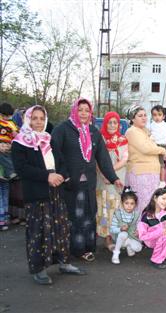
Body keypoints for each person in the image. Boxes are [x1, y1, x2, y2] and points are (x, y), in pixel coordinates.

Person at [12, 105, 85, 284]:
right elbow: (22, 169)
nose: (38, 122)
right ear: (27, 119)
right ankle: (39, 269)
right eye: (34, 118)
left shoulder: (48, 138)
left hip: (55, 190)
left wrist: (64, 175)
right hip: (37, 193)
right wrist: (47, 176)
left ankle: (64, 262)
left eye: (41, 118)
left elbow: (60, 160)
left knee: (60, 227)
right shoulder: (20, 142)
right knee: (39, 230)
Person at [51, 98, 123, 262]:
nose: (83, 113)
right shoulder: (62, 129)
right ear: (74, 110)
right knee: (74, 216)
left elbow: (103, 158)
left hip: (89, 182)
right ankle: (73, 249)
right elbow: (55, 154)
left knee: (89, 213)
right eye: (80, 109)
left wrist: (114, 178)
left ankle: (86, 248)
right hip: (70, 182)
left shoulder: (93, 131)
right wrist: (64, 174)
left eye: (86, 110)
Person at [125, 105, 166, 214]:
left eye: (145, 115)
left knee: (151, 203)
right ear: (132, 118)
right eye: (140, 116)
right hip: (141, 173)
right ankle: (140, 229)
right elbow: (146, 148)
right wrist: (162, 150)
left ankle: (149, 229)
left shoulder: (144, 131)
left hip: (151, 173)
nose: (144, 118)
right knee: (143, 204)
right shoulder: (132, 131)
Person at [96, 111, 129, 251]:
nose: (112, 125)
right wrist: (106, 174)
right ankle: (107, 238)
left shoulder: (123, 140)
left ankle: (118, 237)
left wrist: (111, 173)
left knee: (117, 209)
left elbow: (125, 159)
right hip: (103, 179)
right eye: (110, 122)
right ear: (105, 123)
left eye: (115, 122)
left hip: (118, 178)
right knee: (104, 208)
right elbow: (96, 160)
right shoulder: (100, 139)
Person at [110, 187, 142, 265]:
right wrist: (120, 229)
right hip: (118, 236)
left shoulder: (137, 214)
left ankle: (128, 245)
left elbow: (139, 226)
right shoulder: (118, 214)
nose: (129, 206)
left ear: (135, 204)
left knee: (138, 248)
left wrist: (138, 232)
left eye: (132, 203)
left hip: (131, 236)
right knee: (123, 234)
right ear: (122, 203)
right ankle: (116, 253)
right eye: (126, 203)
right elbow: (112, 229)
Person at [149, 105, 166, 186]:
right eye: (154, 115)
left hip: (163, 145)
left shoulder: (165, 125)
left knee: (161, 164)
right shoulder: (151, 125)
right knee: (154, 164)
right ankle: (154, 179)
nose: (157, 117)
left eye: (159, 115)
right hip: (153, 146)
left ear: (163, 116)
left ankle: (162, 180)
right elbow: (148, 134)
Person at [0, 102, 19, 181]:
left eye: (8, 116)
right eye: (3, 116)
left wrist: (16, 134)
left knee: (7, 156)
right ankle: (9, 172)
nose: (6, 118)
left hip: (8, 143)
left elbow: (17, 132)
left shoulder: (12, 123)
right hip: (1, 142)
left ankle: (10, 172)